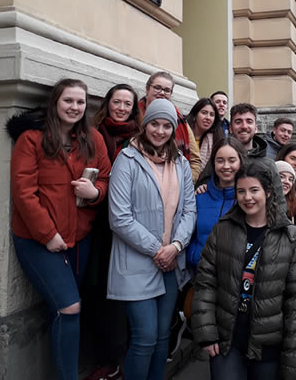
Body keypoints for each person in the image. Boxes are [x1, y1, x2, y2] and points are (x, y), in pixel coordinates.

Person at [9, 78, 111, 380]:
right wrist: (47, 235)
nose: (75, 107)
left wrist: (97, 194)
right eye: (68, 101)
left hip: (80, 237)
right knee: (69, 308)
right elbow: (23, 193)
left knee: (66, 310)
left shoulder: (93, 138)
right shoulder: (31, 138)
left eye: (80, 102)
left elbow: (105, 178)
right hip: (38, 241)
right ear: (55, 102)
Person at [192, 159, 296, 380]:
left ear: (268, 192)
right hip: (228, 341)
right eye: (241, 191)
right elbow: (206, 283)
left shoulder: (290, 238)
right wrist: (207, 333)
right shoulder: (223, 230)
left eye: (254, 190)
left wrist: (294, 361)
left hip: (268, 345)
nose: (247, 197)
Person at [107, 98, 196, 380]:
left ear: (173, 129)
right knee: (144, 337)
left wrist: (176, 246)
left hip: (171, 263)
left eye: (167, 125)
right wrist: (159, 250)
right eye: (155, 124)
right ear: (145, 125)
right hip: (137, 263)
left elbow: (189, 209)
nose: (160, 131)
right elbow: (119, 217)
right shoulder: (128, 158)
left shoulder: (180, 162)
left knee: (160, 339)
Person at [81, 84, 142, 380]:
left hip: (130, 225)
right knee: (97, 292)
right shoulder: (93, 133)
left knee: (124, 294)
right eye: (116, 102)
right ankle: (104, 357)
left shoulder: (140, 138)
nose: (120, 107)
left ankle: (118, 357)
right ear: (108, 104)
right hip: (98, 224)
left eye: (126, 104)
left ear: (134, 108)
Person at [187, 137, 247, 273]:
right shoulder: (199, 196)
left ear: (241, 162)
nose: (226, 166)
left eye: (232, 160)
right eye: (220, 160)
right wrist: (194, 256)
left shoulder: (247, 200)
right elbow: (190, 234)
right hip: (200, 274)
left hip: (234, 277)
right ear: (213, 163)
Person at [139, 71, 202, 181]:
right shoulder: (135, 114)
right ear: (147, 89)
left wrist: (183, 183)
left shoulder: (180, 121)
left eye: (167, 90)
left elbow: (195, 160)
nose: (162, 93)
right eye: (157, 88)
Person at [187, 98, 223, 171]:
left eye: (212, 115)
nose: (208, 118)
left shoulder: (216, 138)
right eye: (204, 113)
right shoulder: (184, 132)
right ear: (195, 114)